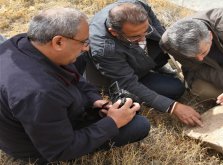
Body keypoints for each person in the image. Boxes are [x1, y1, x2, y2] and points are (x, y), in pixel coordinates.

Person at [0, 7, 150, 164]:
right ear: (58, 42)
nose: (87, 47)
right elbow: (60, 149)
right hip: (38, 148)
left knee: (78, 59)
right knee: (138, 125)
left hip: (43, 120)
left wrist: (93, 99)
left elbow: (74, 77)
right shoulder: (40, 93)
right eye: (83, 42)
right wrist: (112, 122)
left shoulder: (24, 42)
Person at [86, 0, 203, 126]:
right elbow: (128, 83)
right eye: (135, 36)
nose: (143, 39)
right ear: (114, 32)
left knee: (170, 74)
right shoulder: (104, 49)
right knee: (174, 89)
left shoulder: (138, 5)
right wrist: (173, 107)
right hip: (116, 77)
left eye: (146, 31)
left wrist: (166, 45)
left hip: (133, 60)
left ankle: (147, 65)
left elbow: (159, 32)